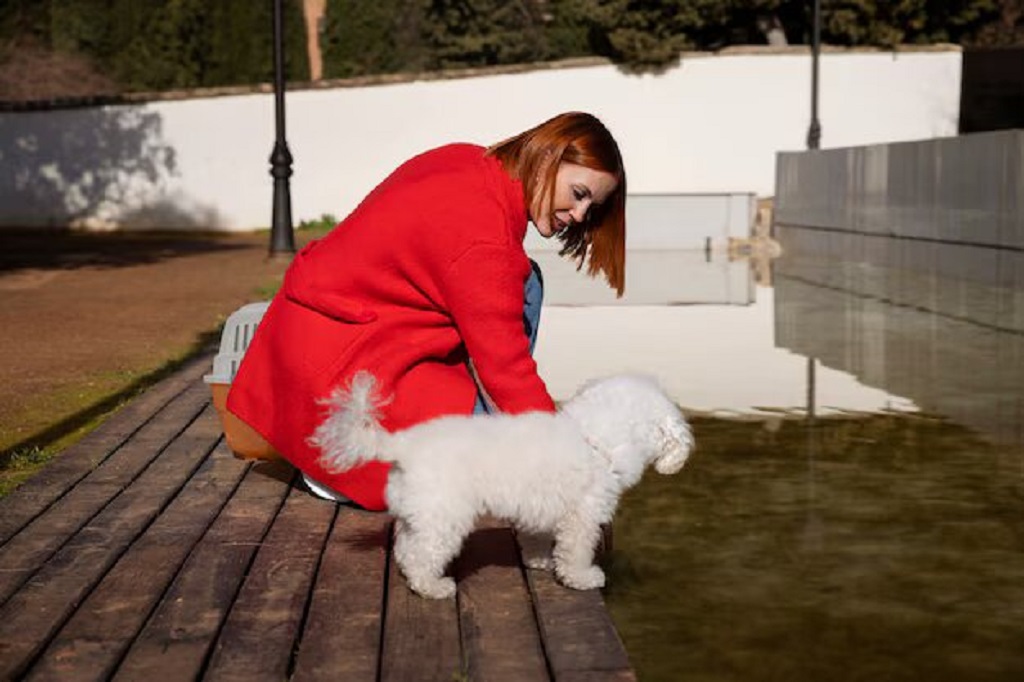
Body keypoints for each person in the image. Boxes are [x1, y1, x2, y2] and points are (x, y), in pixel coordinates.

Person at [227, 111, 627, 511]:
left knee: (524, 281)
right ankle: (371, 469)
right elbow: (507, 371)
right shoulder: (484, 242)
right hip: (345, 403)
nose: (579, 216)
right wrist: (569, 459)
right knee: (526, 293)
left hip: (313, 351)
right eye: (579, 194)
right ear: (549, 157)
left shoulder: (467, 160)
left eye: (591, 208)